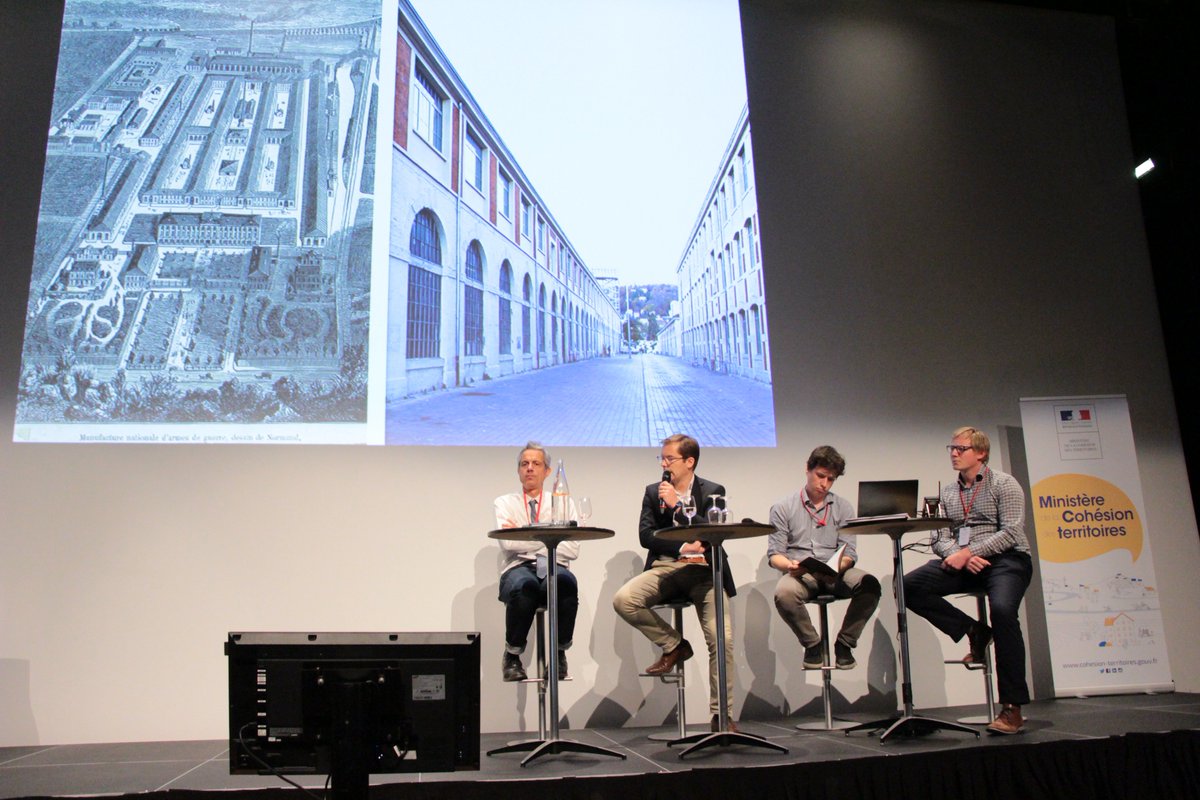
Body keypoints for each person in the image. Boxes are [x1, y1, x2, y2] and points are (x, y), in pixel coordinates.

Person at [903, 426, 1033, 735]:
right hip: (965, 561)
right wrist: (958, 554)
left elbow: (1012, 531)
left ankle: (1012, 708)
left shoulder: (1004, 484)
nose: (954, 453)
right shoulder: (948, 492)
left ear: (981, 453)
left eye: (960, 448)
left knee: (1002, 610)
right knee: (908, 586)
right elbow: (938, 536)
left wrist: (971, 551)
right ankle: (973, 630)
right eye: (951, 448)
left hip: (1007, 559)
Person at [612, 433, 737, 732]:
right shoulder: (653, 491)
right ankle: (675, 644)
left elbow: (711, 531)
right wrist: (681, 548)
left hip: (705, 572)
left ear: (689, 461)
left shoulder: (713, 490)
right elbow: (646, 535)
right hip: (667, 567)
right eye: (662, 458)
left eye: (670, 459)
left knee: (723, 639)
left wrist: (679, 504)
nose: (664, 464)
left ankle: (722, 715)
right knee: (624, 599)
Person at [768, 445, 881, 670]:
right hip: (802, 573)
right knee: (784, 593)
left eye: (831, 479)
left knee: (870, 585)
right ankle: (812, 644)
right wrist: (790, 565)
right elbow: (774, 555)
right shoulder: (783, 507)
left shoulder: (843, 507)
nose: (824, 484)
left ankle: (845, 643)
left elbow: (849, 552)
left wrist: (838, 566)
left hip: (836, 572)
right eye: (821, 476)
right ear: (807, 470)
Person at [494, 441, 579, 682]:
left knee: (566, 582)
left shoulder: (562, 502)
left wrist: (524, 533)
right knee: (525, 586)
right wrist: (551, 538)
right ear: (519, 470)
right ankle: (512, 655)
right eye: (524, 464)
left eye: (536, 464)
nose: (529, 468)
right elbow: (509, 544)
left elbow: (573, 549)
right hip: (517, 569)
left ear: (547, 471)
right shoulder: (504, 503)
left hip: (554, 567)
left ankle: (560, 653)